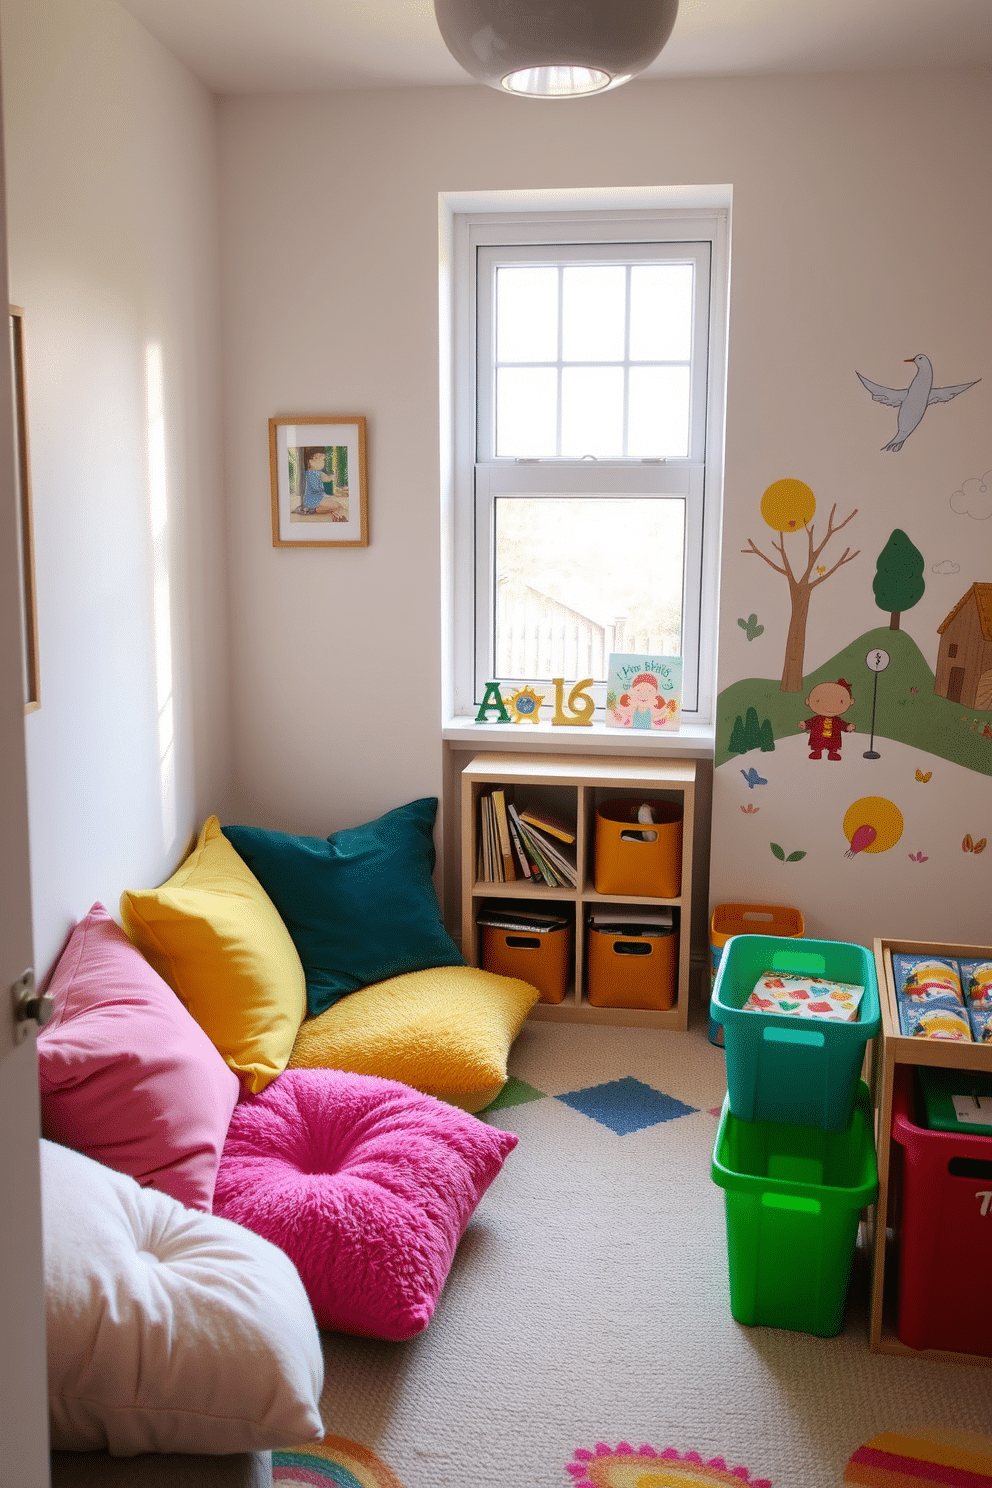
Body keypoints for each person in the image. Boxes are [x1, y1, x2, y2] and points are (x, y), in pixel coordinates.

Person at [799, 678, 855, 760]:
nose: (829, 705)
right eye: (818, 701)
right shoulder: (817, 719)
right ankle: (817, 751)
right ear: (808, 701)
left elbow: (842, 724)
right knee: (817, 742)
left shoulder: (837, 720)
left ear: (850, 702)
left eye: (840, 701)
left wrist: (847, 727)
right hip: (818, 737)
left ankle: (832, 752)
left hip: (833, 738)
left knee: (834, 744)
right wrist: (805, 724)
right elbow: (810, 722)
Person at [298, 447, 346, 518]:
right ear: (311, 461)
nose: (324, 462)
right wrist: (325, 495)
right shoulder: (311, 473)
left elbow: (327, 478)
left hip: (318, 497)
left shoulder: (318, 473)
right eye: (322, 460)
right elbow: (316, 489)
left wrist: (333, 475)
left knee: (338, 505)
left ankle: (315, 509)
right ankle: (313, 509)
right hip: (312, 498)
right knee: (336, 505)